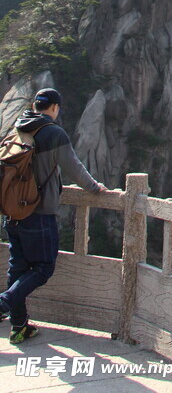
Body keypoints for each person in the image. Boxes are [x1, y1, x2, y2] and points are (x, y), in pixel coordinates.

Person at [0, 87, 107, 345]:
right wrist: (95, 188)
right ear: (55, 107)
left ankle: (20, 326)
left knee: (18, 267)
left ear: (36, 105)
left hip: (13, 212)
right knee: (43, 268)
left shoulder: (18, 128)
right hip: (38, 212)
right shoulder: (53, 133)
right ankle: (3, 304)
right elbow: (74, 168)